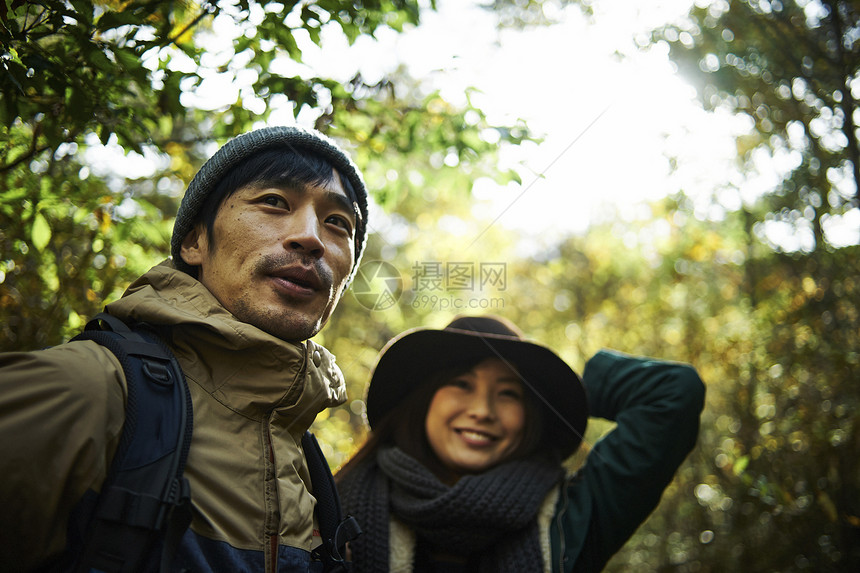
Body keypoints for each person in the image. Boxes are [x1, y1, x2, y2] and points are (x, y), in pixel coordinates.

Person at [0, 126, 370, 571]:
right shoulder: (87, 389)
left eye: (338, 224)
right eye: (274, 201)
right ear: (195, 241)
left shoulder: (306, 464)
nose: (311, 237)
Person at [336, 315, 706, 573]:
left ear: (530, 416)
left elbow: (675, 391)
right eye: (462, 384)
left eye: (509, 393)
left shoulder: (572, 516)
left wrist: (564, 393)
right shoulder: (334, 509)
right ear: (422, 400)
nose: (482, 410)